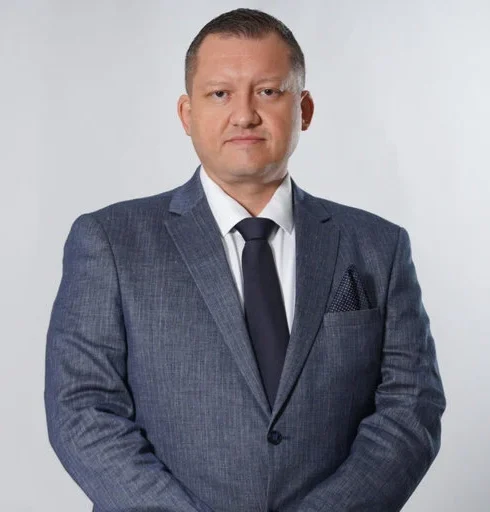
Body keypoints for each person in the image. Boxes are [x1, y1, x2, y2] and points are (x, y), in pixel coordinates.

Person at [45, 8, 446, 512]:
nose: (244, 114)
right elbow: (82, 409)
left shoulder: (378, 246)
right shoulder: (110, 242)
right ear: (187, 114)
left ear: (304, 109)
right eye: (220, 93)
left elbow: (411, 406)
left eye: (268, 91)